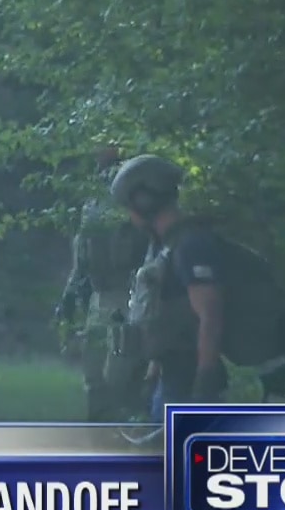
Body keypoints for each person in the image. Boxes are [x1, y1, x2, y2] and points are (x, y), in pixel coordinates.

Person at [111, 154, 227, 418]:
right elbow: (162, 314)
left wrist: (204, 383)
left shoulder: (191, 245)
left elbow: (210, 315)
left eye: (129, 204)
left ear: (144, 200)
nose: (129, 214)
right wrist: (152, 374)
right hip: (170, 377)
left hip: (188, 383)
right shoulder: (164, 246)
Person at [55, 147, 150, 421]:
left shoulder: (137, 195)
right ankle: (99, 431)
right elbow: (83, 250)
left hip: (131, 294)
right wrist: (71, 292)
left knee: (122, 374)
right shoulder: (94, 199)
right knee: (94, 372)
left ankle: (127, 428)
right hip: (101, 295)